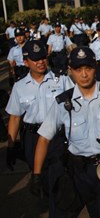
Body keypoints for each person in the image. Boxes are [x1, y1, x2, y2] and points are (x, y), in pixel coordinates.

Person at [33, 47, 100, 218]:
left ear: (95, 68)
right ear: (70, 71)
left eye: (88, 68)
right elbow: (44, 138)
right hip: (77, 172)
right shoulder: (62, 102)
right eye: (78, 69)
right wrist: (36, 175)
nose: (83, 74)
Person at [5, 40, 73, 216]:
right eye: (35, 59)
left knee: (56, 177)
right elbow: (14, 117)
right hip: (32, 138)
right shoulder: (20, 87)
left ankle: (56, 210)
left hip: (56, 137)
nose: (41, 62)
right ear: (26, 62)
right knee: (40, 177)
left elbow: (76, 104)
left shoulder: (62, 79)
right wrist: (11, 147)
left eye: (43, 57)